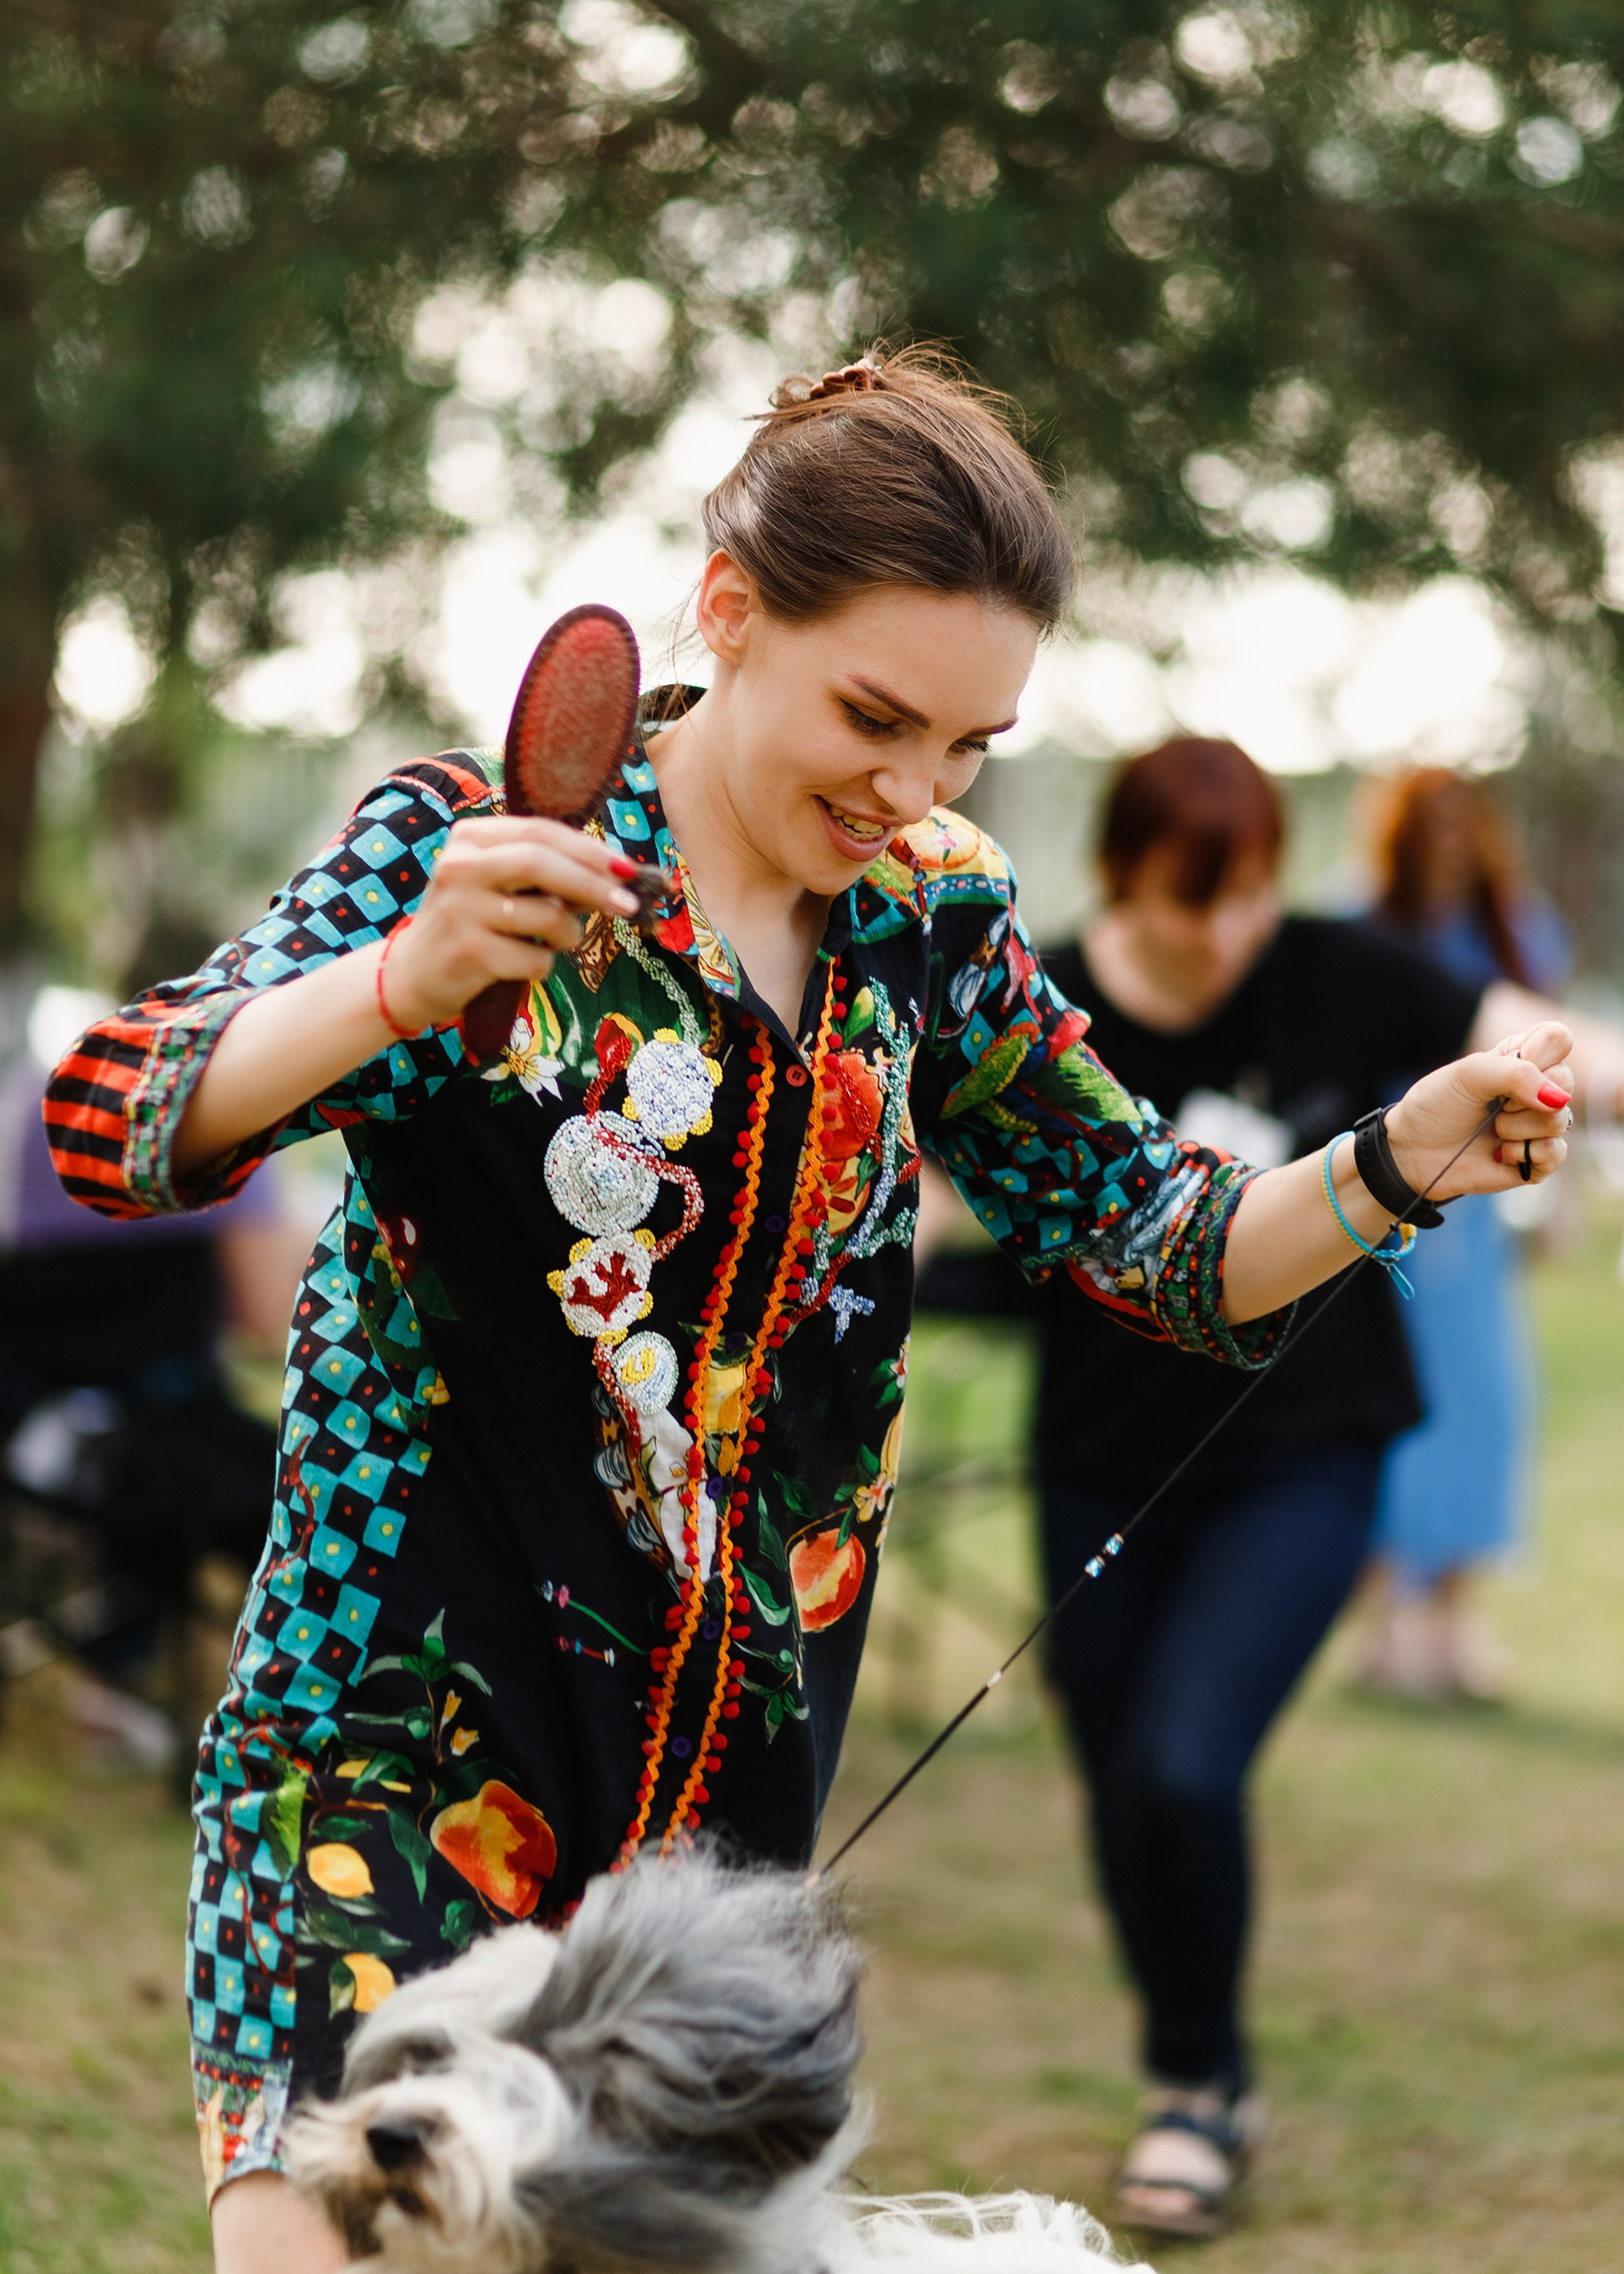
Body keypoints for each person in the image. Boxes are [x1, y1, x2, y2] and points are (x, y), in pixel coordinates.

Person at [43, 355, 1571, 2274]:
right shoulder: (483, 844)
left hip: (705, 1876)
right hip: (392, 1761)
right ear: (730, 610)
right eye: (872, 715)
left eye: (967, 744)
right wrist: (406, 980)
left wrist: (1397, 1160)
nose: (911, 788)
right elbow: (112, 1114)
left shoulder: (925, 928)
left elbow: (1159, 1249)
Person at [917, 735, 1613, 2239]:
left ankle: (1196, 2089)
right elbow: (907, 1186)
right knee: (1118, 1786)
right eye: (1187, 906)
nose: (1222, 937)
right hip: (1099, 1459)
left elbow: (1540, 1038)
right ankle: (1194, 2056)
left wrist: (1555, 1080)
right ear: (1123, 875)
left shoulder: (1340, 967)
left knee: (1185, 1764)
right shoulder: (1032, 1003)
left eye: (1242, 901)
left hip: (1309, 1456)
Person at [1358, 770, 1576, 1699]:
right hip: (1389, 1199)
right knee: (1390, 1407)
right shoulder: (1364, 928)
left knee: (1483, 1407)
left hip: (1483, 1219)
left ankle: (1450, 1620)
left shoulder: (1508, 929)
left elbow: (1562, 1059)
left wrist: (1556, 1194)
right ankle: (1381, 1628)